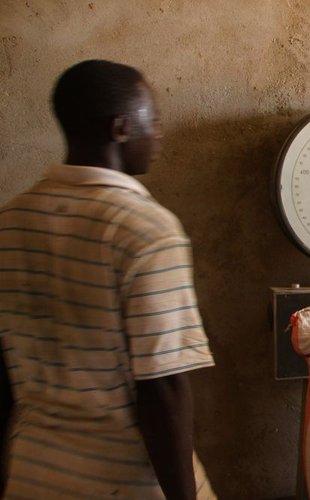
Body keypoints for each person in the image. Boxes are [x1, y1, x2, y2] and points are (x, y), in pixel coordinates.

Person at [0, 60, 216, 499]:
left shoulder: (10, 222)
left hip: (31, 475)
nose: (158, 133)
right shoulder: (146, 230)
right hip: (121, 482)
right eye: (151, 119)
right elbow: (163, 389)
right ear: (120, 128)